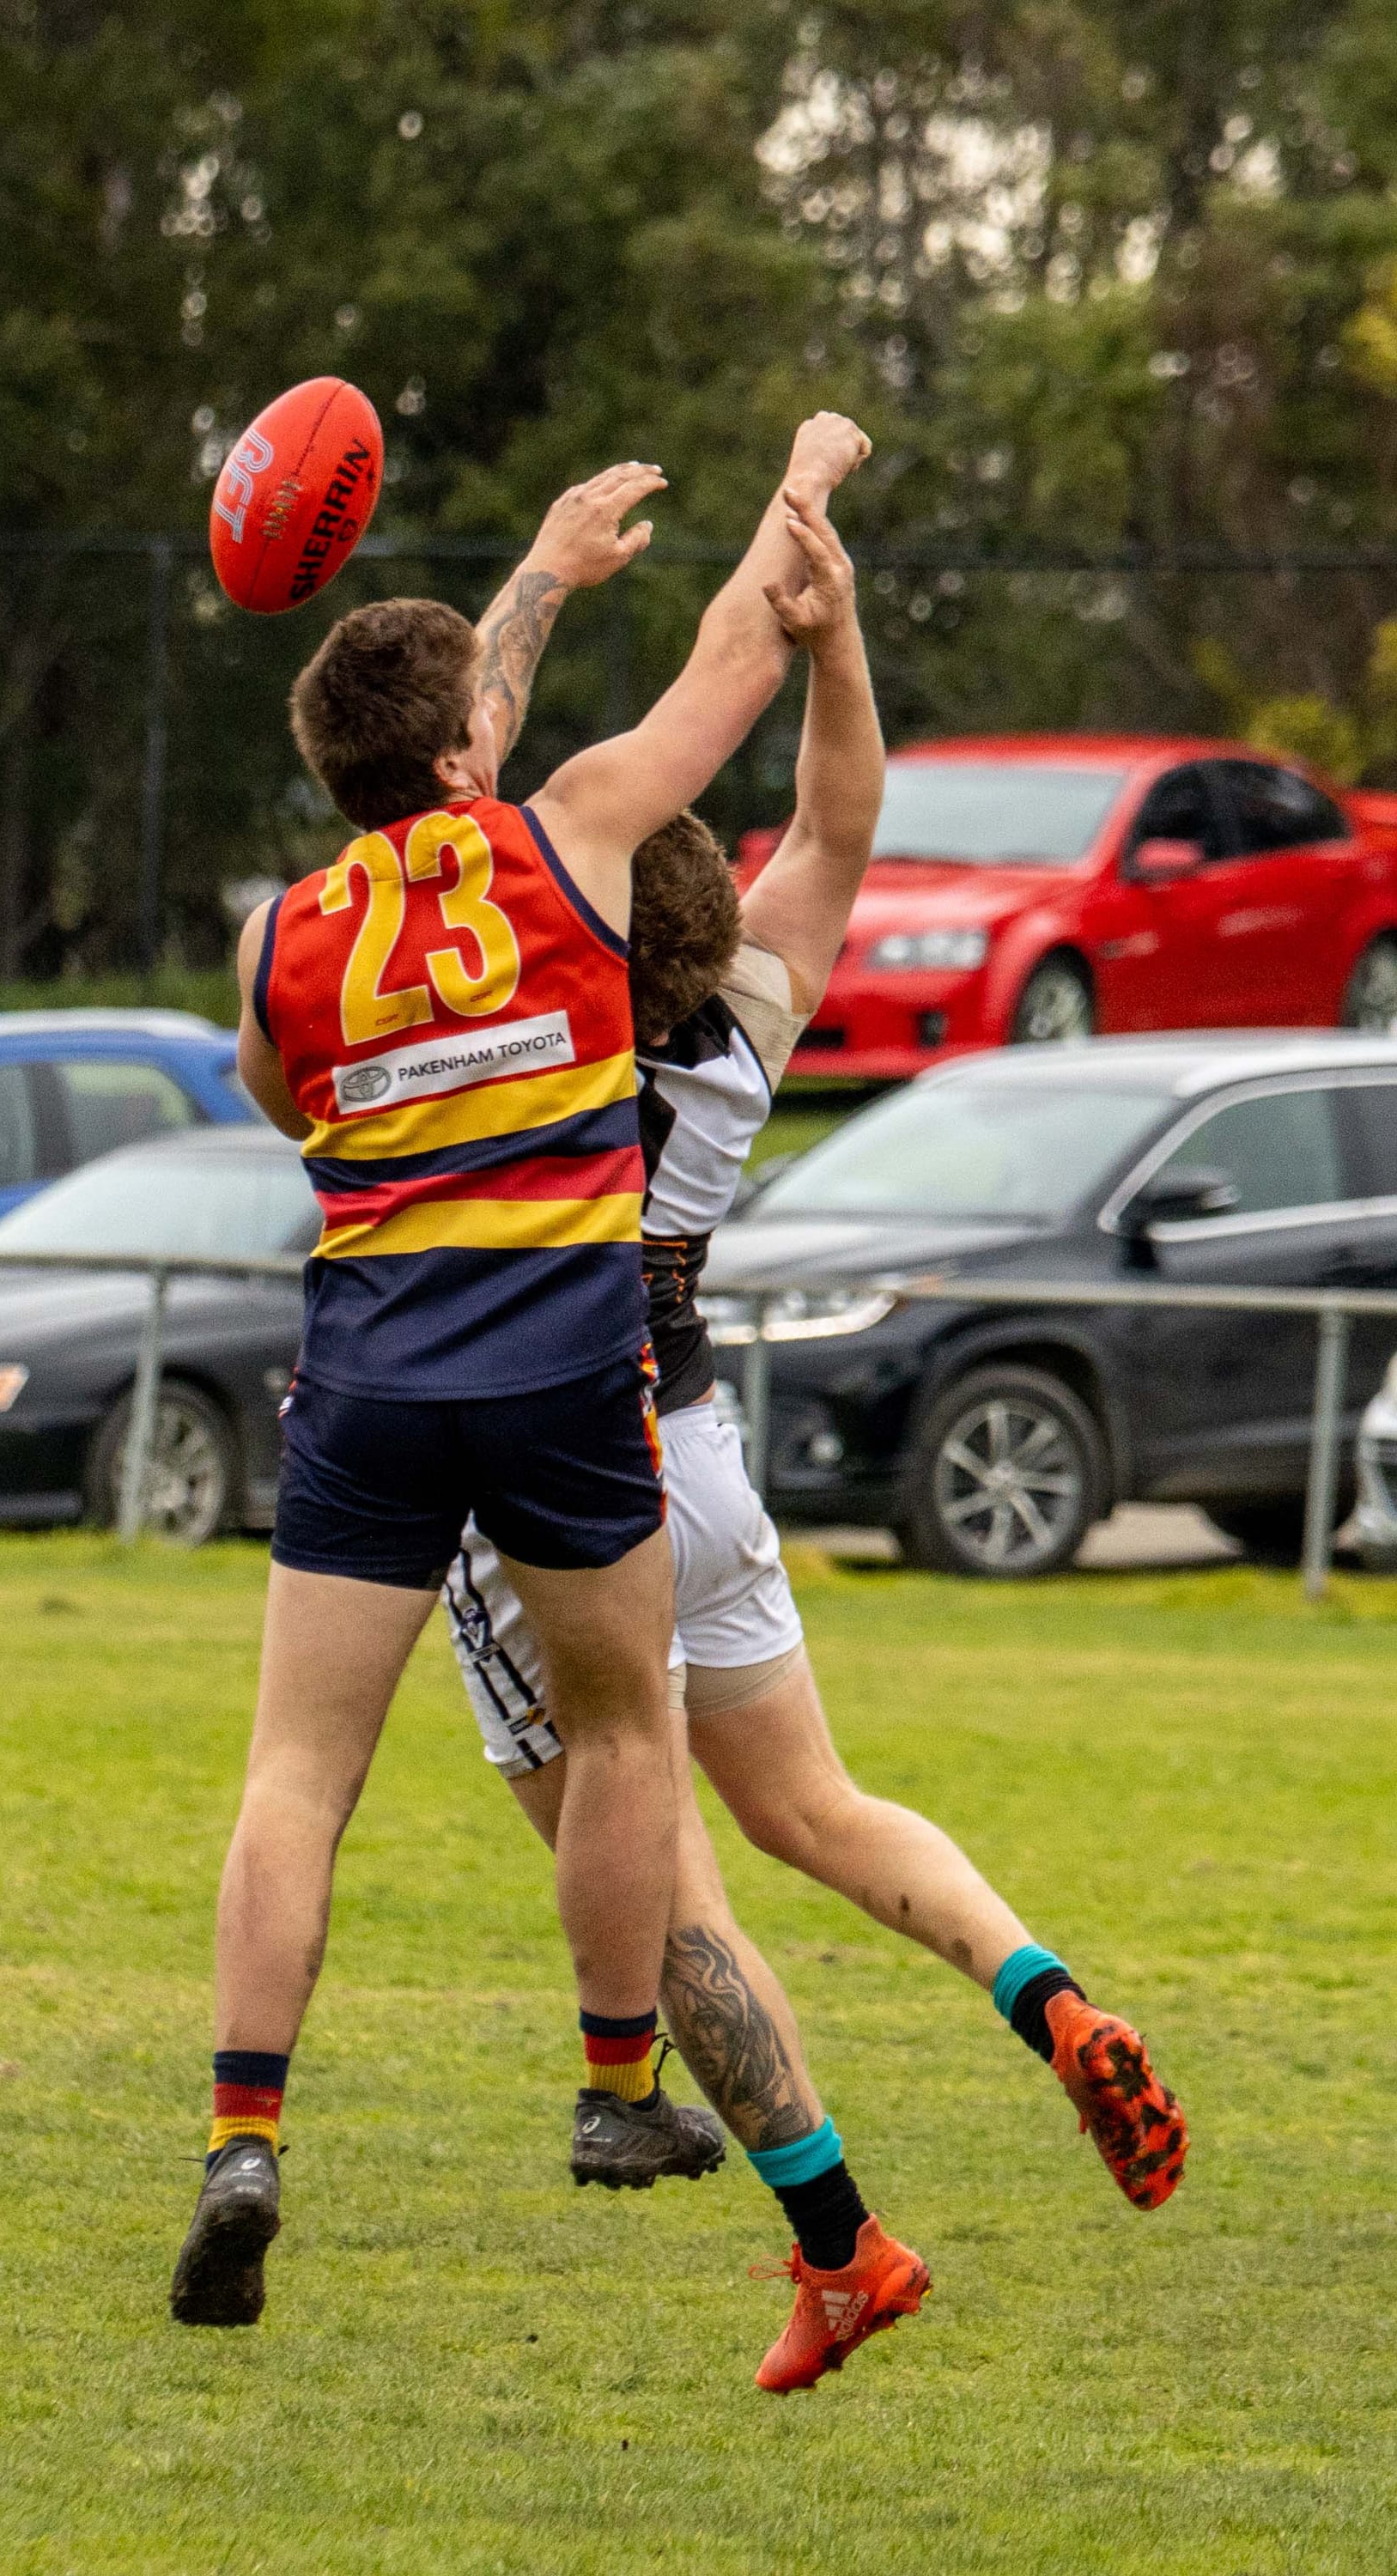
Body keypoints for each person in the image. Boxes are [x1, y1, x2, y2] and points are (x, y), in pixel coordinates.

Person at [446, 490, 1189, 2391]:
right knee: (818, 1811)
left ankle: (839, 2239)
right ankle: (1048, 1995)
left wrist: (539, 575)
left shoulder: (530, 1012)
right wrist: (833, 629)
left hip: (546, 1487)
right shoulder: (743, 1021)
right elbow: (845, 815)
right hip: (693, 1458)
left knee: (666, 1871)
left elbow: (462, 788)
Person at [169, 416, 875, 2330]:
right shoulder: (565, 837)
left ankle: (245, 2138)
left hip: (370, 1378)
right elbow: (736, 661)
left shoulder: (276, 945)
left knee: (298, 1775)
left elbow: (286, 1102)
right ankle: (613, 2086)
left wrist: (537, 584)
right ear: (468, 752)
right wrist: (792, 502)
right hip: (568, 1373)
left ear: (334, 777)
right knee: (629, 1730)